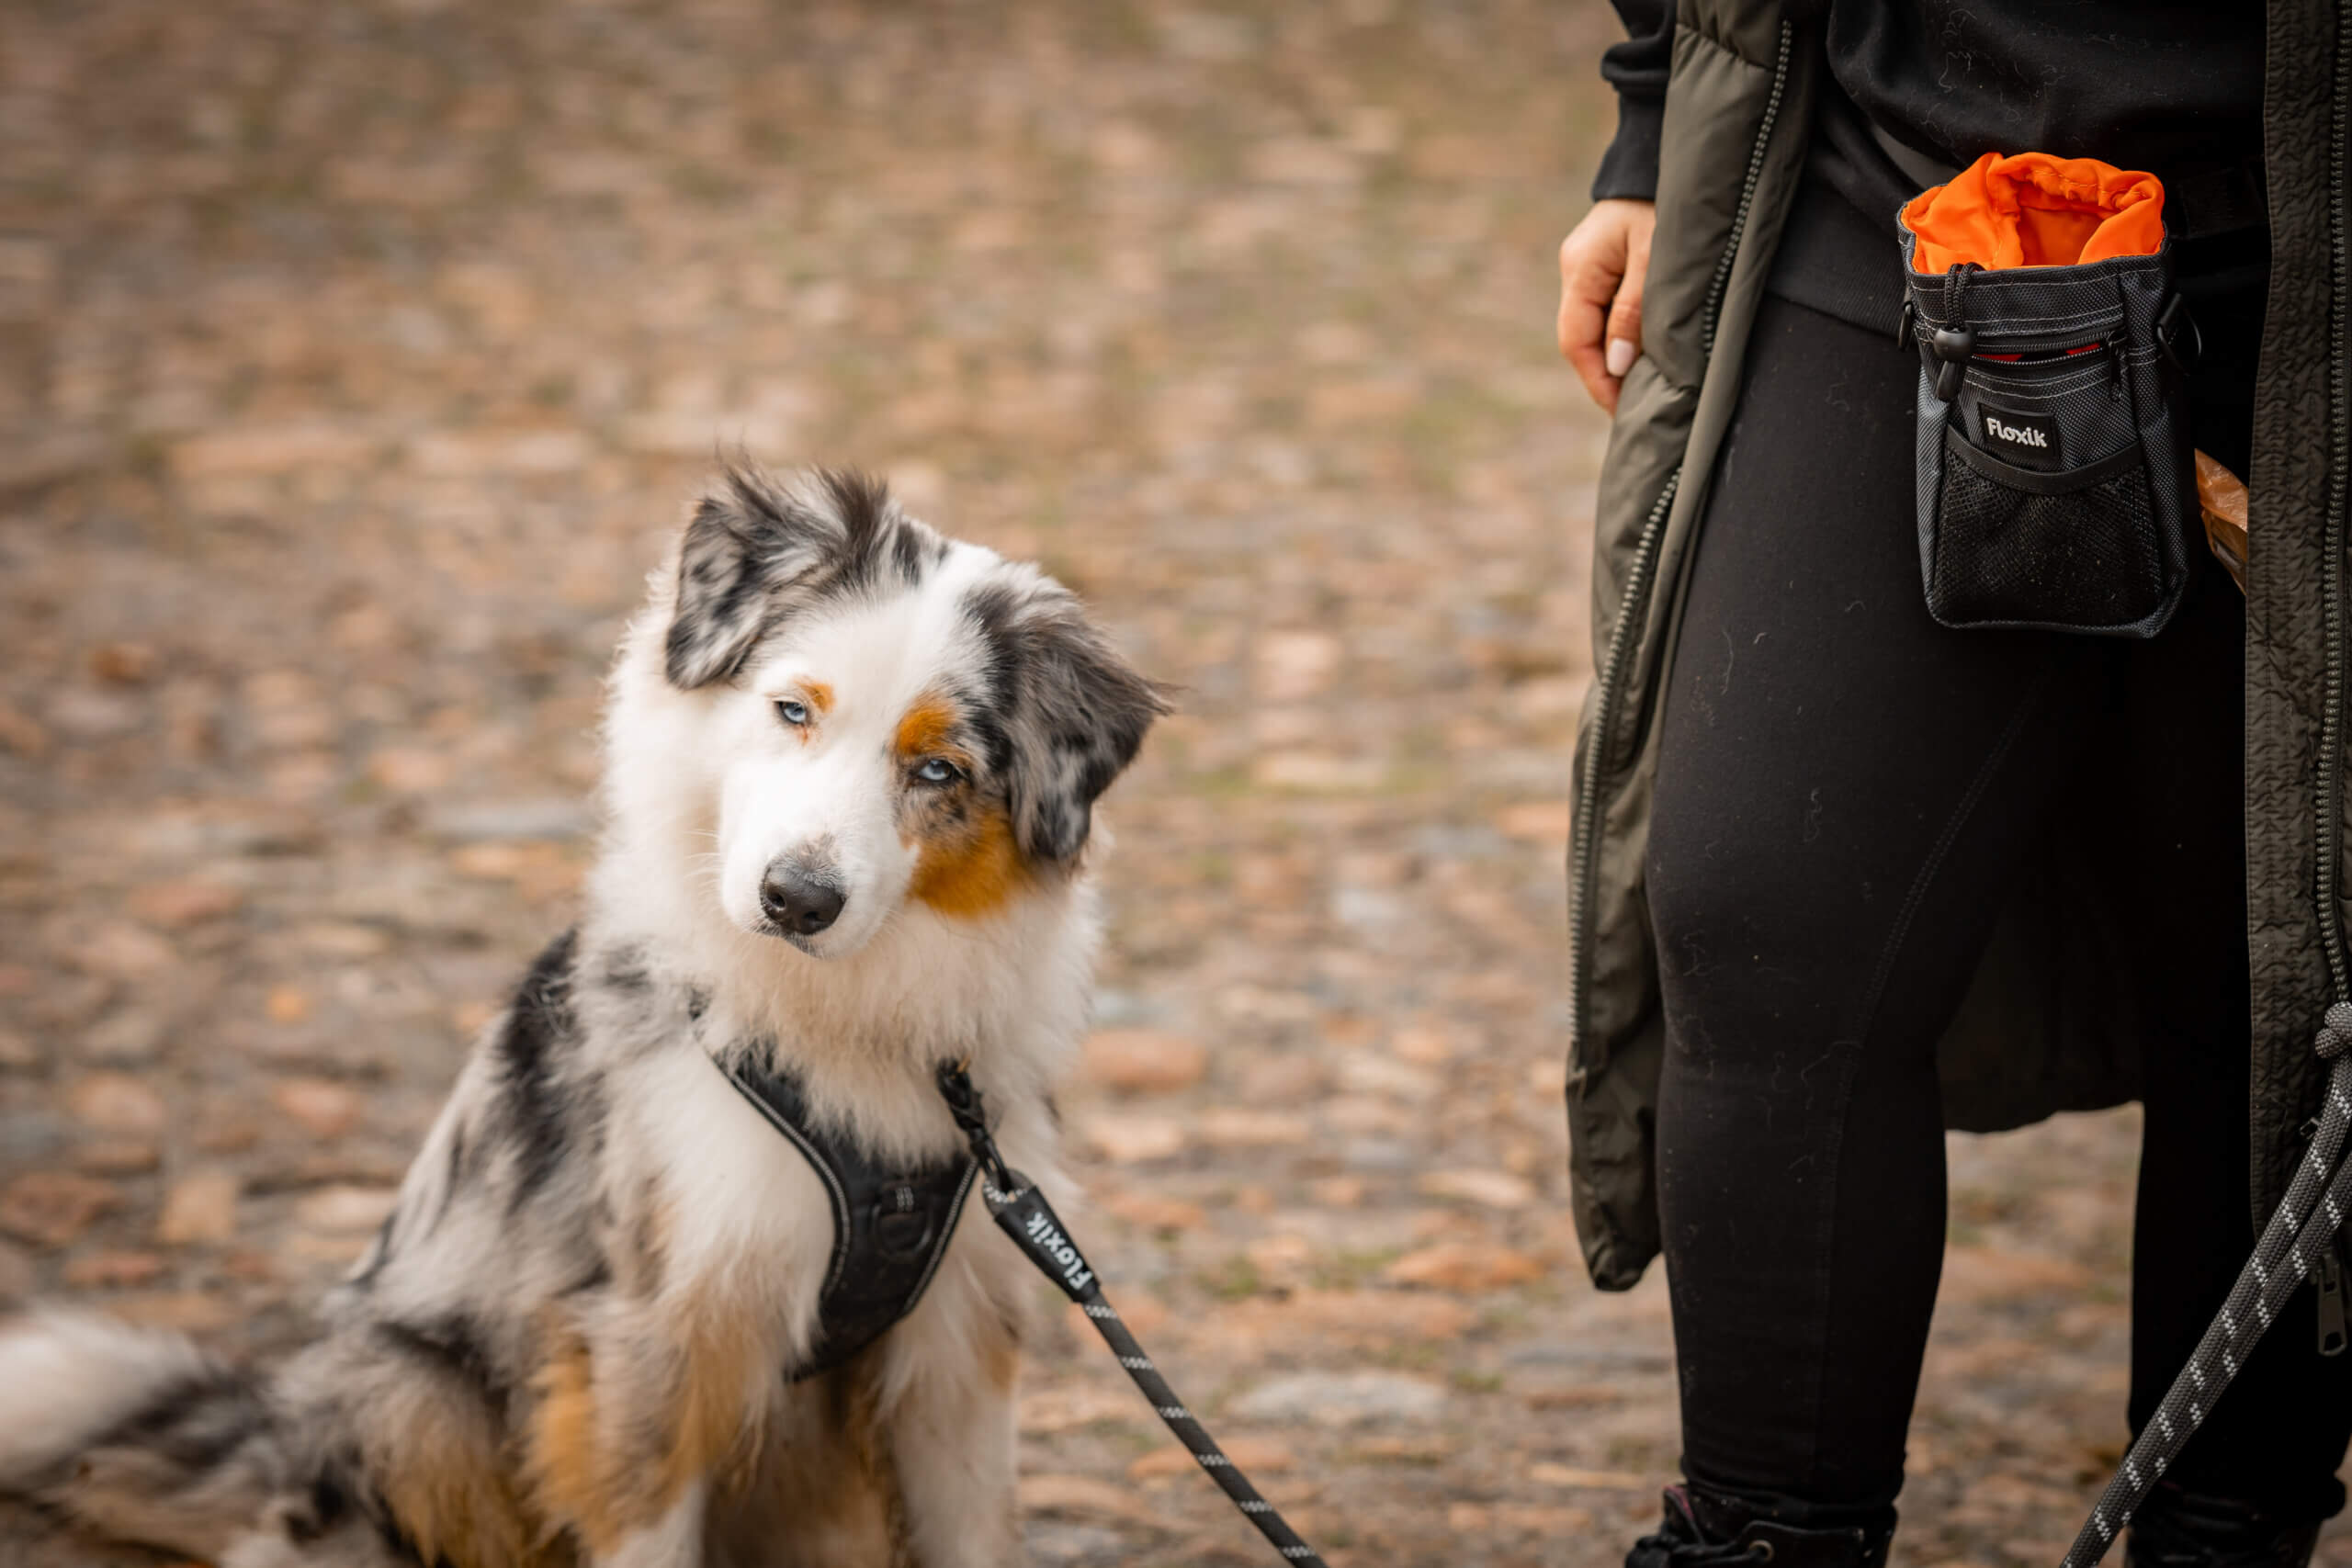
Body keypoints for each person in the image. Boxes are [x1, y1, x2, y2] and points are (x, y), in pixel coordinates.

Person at [1556, 5, 2352, 1565]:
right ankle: (1767, 1540)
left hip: (2308, 269)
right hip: (1893, 195)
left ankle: (2225, 1539)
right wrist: (1656, 115)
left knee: (2270, 977)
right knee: (1761, 912)